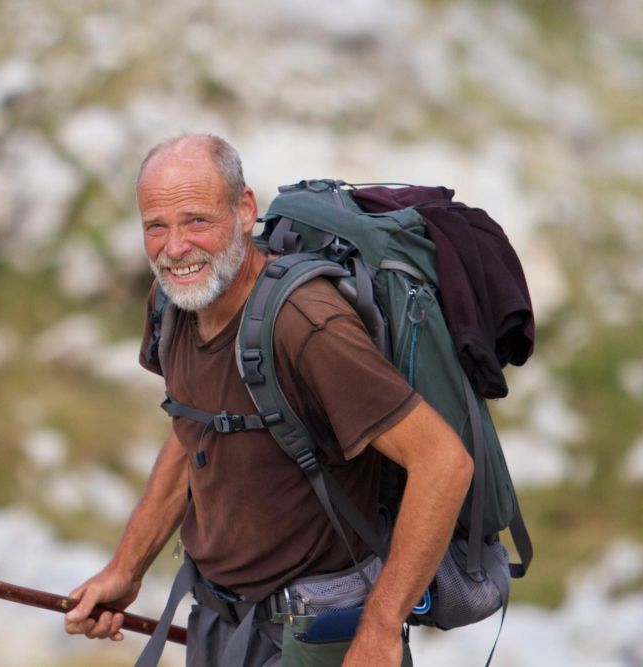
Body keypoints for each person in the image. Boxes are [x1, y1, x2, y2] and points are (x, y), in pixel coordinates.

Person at [64, 134, 473, 667]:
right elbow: (193, 431)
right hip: (218, 622)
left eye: (196, 221)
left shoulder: (306, 325)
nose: (175, 248)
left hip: (316, 634)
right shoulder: (174, 301)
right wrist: (127, 566)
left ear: (244, 209)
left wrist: (379, 628)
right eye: (155, 227)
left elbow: (443, 462)